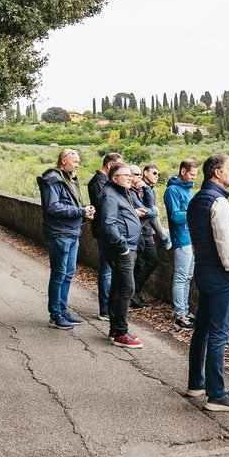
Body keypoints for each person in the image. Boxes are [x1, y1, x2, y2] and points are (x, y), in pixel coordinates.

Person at [186, 153, 229, 411]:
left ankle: (196, 383)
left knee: (202, 330)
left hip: (203, 270)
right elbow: (224, 241)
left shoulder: (196, 200)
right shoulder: (218, 202)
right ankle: (217, 394)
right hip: (221, 275)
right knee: (219, 335)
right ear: (216, 172)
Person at [37, 149, 94, 329]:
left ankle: (63, 310)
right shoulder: (52, 180)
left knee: (68, 274)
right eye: (75, 162)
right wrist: (80, 211)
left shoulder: (70, 179)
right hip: (59, 233)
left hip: (72, 232)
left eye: (78, 162)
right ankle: (55, 314)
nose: (77, 165)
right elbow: (52, 207)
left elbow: (70, 204)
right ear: (63, 161)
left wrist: (84, 209)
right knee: (59, 274)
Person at [98, 164, 144, 349]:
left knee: (118, 288)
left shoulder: (121, 192)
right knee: (127, 289)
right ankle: (122, 334)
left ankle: (115, 329)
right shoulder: (110, 195)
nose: (129, 178)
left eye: (130, 175)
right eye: (125, 175)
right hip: (122, 249)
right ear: (114, 177)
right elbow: (108, 224)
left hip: (128, 247)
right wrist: (123, 246)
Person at [87, 152, 124, 318]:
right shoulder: (98, 183)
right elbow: (104, 208)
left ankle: (110, 306)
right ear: (110, 166)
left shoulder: (103, 182)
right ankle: (105, 309)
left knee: (109, 270)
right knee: (106, 271)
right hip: (104, 231)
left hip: (106, 229)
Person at [163, 159, 198, 329]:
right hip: (181, 239)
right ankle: (180, 315)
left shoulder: (189, 191)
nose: (194, 178)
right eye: (192, 174)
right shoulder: (172, 191)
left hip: (191, 239)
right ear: (183, 171)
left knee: (188, 277)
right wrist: (194, 212)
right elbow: (175, 216)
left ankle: (185, 311)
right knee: (181, 277)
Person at [130, 164, 170, 308]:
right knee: (138, 265)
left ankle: (134, 292)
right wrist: (162, 235)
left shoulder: (146, 189)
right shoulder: (134, 191)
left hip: (147, 233)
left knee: (152, 261)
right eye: (154, 173)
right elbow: (151, 212)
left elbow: (150, 211)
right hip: (140, 233)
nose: (156, 176)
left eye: (158, 174)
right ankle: (132, 295)